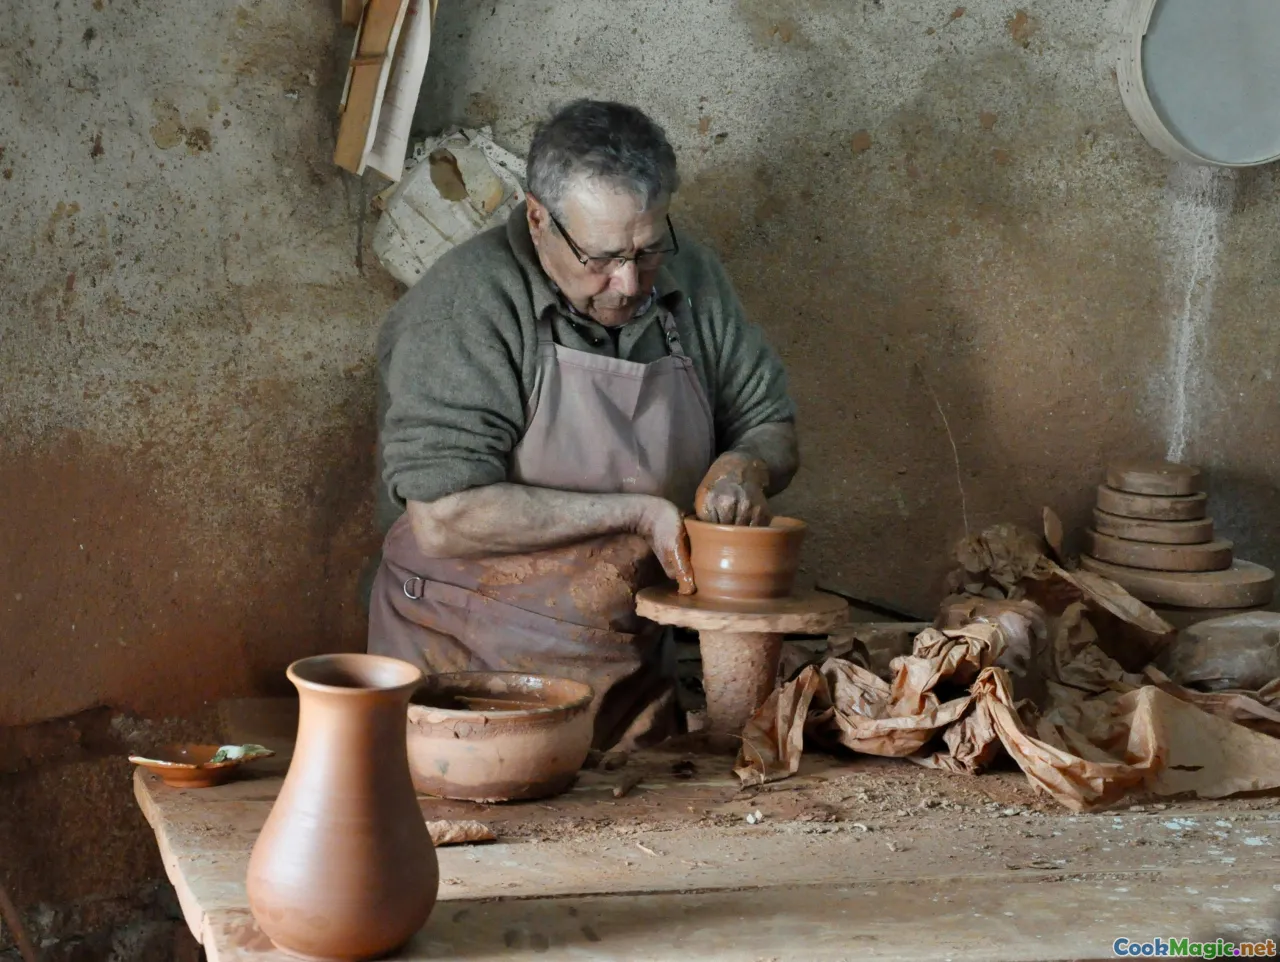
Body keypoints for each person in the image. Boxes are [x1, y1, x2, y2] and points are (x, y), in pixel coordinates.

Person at [368, 99, 797, 750]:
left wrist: (748, 464)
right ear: (538, 219)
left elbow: (768, 421)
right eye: (600, 258)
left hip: (624, 656)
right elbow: (444, 517)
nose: (627, 283)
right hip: (470, 669)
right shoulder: (464, 307)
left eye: (647, 251)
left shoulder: (694, 280)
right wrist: (634, 515)